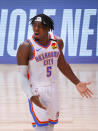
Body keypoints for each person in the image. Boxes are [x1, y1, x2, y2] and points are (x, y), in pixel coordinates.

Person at [17, 14, 93, 131]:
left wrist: (77, 82)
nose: (36, 29)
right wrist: (31, 95)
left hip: (54, 89)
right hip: (37, 90)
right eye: (34, 26)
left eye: (40, 26)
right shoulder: (25, 47)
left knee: (51, 126)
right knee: (41, 128)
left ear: (48, 28)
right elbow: (21, 76)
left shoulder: (57, 42)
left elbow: (62, 64)